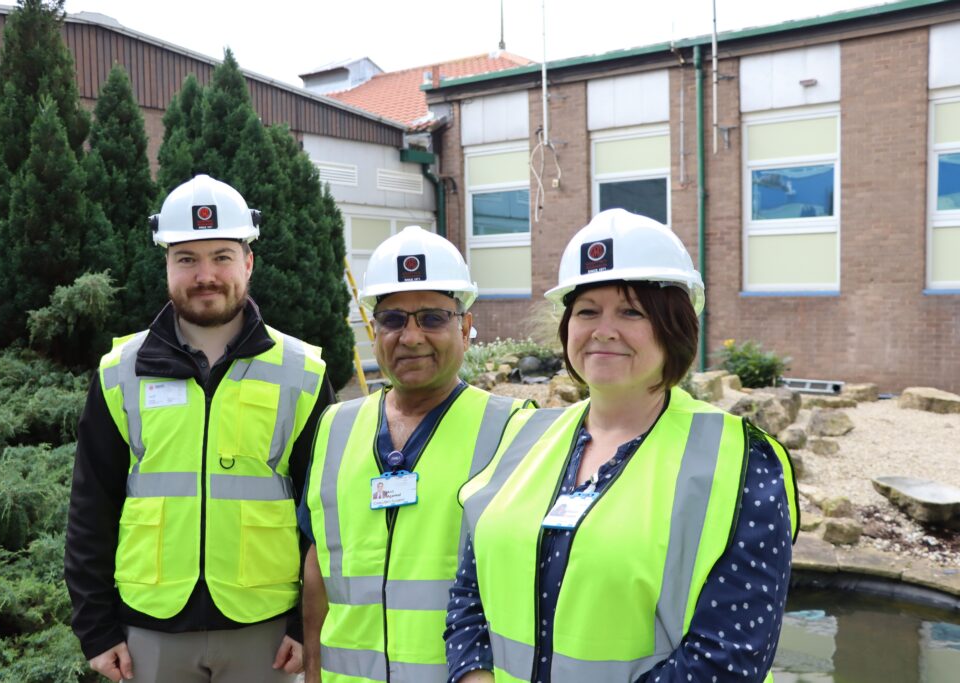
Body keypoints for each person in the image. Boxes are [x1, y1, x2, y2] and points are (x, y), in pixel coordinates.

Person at [447, 209, 799, 683]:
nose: (603, 329)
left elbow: (729, 657)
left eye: (631, 311)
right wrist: (473, 676)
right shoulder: (522, 437)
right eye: (587, 310)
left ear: (674, 326)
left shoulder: (738, 462)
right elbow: (469, 590)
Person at [64, 174, 334, 682]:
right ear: (166, 265)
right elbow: (91, 507)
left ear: (248, 262)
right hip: (150, 631)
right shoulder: (119, 371)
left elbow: (325, 514)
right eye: (187, 258)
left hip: (267, 631)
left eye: (221, 256)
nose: (205, 274)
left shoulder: (303, 373)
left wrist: (307, 622)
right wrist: (97, 630)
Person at [300, 226, 533, 683]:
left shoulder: (512, 429)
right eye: (392, 320)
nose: (410, 337)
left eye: (432, 318)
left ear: (465, 328)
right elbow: (317, 571)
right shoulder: (335, 426)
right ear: (374, 329)